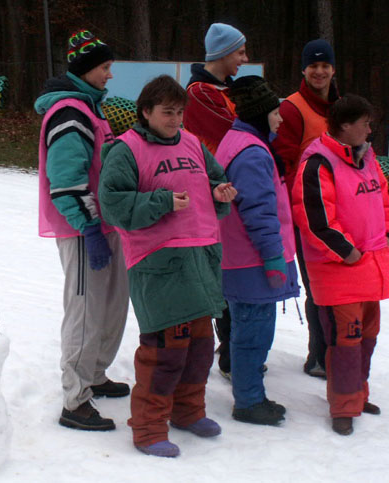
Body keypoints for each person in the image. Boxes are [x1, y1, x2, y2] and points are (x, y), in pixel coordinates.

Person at [99, 75, 237, 457]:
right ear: (146, 112)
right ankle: (147, 428)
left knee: (200, 346)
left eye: (179, 112)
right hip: (158, 262)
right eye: (167, 112)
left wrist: (220, 192)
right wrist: (159, 202)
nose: (176, 119)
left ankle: (188, 411)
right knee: (165, 350)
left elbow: (215, 180)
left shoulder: (192, 142)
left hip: (201, 256)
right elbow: (112, 205)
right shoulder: (126, 150)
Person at [34, 29, 129, 431]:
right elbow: (66, 181)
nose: (110, 75)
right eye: (105, 67)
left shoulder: (91, 107)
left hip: (105, 223)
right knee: (86, 310)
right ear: (87, 69)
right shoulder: (70, 113)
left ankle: (94, 374)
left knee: (111, 306)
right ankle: (75, 400)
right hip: (83, 230)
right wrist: (88, 228)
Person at [291, 94, 389, 435]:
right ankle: (343, 406)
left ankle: (357, 394)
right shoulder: (317, 162)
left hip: (371, 266)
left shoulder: (368, 158)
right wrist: (349, 252)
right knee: (345, 342)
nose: (370, 130)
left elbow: (383, 200)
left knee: (367, 338)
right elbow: (315, 220)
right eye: (365, 123)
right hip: (340, 271)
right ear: (345, 126)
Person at [215, 76, 300, 426]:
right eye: (275, 113)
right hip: (251, 262)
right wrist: (274, 258)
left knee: (248, 329)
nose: (280, 119)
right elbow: (260, 213)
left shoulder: (241, 141)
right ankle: (249, 401)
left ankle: (251, 394)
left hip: (241, 259)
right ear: (260, 114)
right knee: (253, 333)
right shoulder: (251, 153)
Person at [183, 22, 248, 379]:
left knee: (229, 267)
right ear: (223, 53)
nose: (244, 58)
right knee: (219, 270)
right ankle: (226, 352)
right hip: (211, 191)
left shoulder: (224, 89)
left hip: (227, 188)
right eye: (240, 52)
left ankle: (230, 347)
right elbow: (239, 129)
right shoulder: (200, 92)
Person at [272, 39, 339, 378]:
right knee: (319, 286)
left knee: (340, 285)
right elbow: (283, 162)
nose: (319, 71)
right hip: (307, 213)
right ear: (303, 69)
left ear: (333, 68)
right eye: (313, 66)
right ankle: (319, 354)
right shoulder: (293, 108)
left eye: (325, 65)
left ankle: (338, 351)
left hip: (341, 210)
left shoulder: (340, 106)